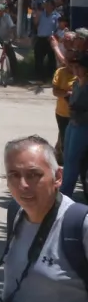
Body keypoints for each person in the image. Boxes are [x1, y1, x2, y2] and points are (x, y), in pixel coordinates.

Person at [0, 135, 88, 302]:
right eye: (14, 175)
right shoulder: (16, 213)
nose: (23, 185)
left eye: (33, 174)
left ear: (58, 176)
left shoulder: (80, 225)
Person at [64, 57, 88, 200]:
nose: (75, 69)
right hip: (72, 123)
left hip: (84, 126)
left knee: (73, 160)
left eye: (79, 67)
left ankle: (66, 193)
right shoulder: (75, 84)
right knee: (67, 158)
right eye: (75, 67)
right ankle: (64, 190)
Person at [0, 0, 19, 83]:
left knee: (11, 54)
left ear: (3, 11)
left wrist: (14, 36)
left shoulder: (7, 17)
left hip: (4, 37)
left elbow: (12, 27)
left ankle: (15, 74)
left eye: (0, 10)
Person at [54, 57, 78, 162]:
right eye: (69, 61)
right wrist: (67, 94)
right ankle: (63, 159)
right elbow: (55, 91)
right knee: (64, 138)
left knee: (71, 139)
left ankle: (60, 155)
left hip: (77, 114)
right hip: (62, 113)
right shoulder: (60, 72)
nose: (71, 65)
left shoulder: (82, 76)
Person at [38, 0, 62, 83]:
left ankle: (50, 76)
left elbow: (58, 28)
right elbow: (36, 24)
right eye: (46, 5)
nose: (46, 6)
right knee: (39, 58)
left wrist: (54, 36)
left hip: (50, 39)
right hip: (40, 38)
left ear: (52, 6)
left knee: (51, 58)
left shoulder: (56, 16)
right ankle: (40, 77)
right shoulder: (41, 14)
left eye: (48, 5)